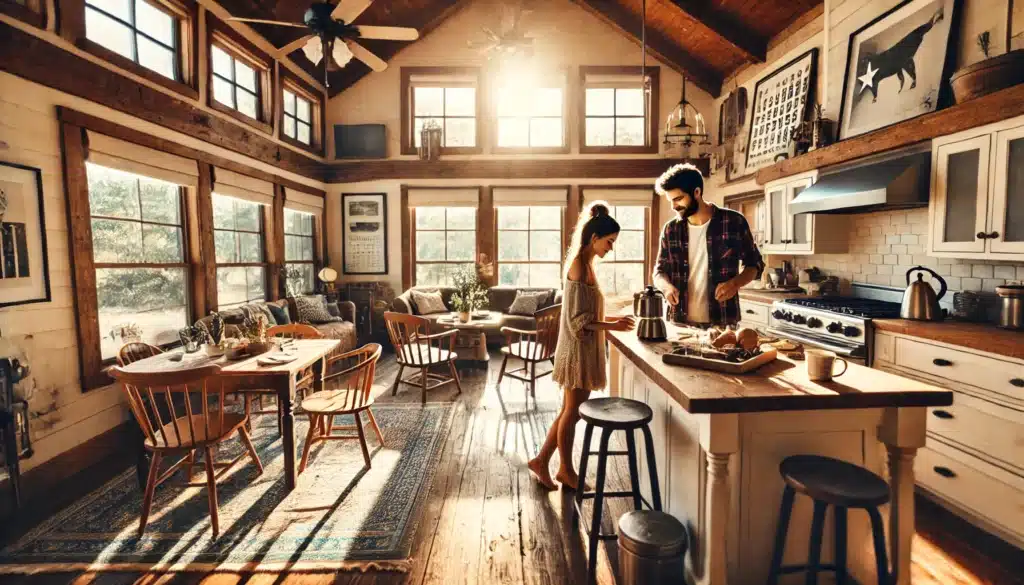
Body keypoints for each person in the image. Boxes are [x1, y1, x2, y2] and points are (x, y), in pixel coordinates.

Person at [527, 202, 636, 491]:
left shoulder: (586, 266)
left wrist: (614, 319)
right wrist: (612, 326)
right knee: (572, 411)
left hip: (582, 349)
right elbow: (578, 321)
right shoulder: (578, 266)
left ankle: (541, 461)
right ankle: (565, 470)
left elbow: (588, 313)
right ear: (594, 238)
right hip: (576, 351)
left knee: (569, 410)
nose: (610, 248)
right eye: (609, 242)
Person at [652, 163, 764, 326]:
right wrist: (666, 288)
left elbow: (755, 265)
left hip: (723, 321)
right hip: (680, 323)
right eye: (671, 201)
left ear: (696, 192)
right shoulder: (671, 229)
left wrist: (734, 284)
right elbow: (659, 272)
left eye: (678, 199)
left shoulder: (733, 221)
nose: (674, 206)